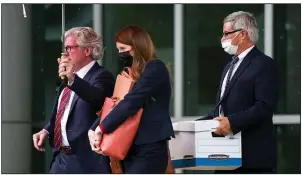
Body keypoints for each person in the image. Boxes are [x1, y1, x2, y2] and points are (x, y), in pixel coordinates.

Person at [198, 11, 279, 174]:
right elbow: (221, 109)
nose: (222, 39)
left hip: (252, 160)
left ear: (243, 34)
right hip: (225, 157)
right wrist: (194, 126)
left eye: (226, 33)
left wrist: (232, 123)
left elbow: (264, 107)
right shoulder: (229, 66)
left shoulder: (264, 64)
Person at [89, 25, 175, 174]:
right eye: (118, 50)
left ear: (137, 46)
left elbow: (131, 101)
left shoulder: (155, 68)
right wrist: (93, 129)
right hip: (128, 147)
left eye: (123, 49)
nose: (120, 54)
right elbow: (117, 103)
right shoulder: (129, 73)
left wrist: (101, 128)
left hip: (149, 148)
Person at [32, 27, 114, 173]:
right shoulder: (68, 77)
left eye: (70, 48)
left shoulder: (101, 76)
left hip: (86, 162)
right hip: (61, 158)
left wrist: (72, 79)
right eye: (65, 48)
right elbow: (62, 113)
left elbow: (97, 98)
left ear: (87, 50)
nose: (65, 53)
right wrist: (46, 130)